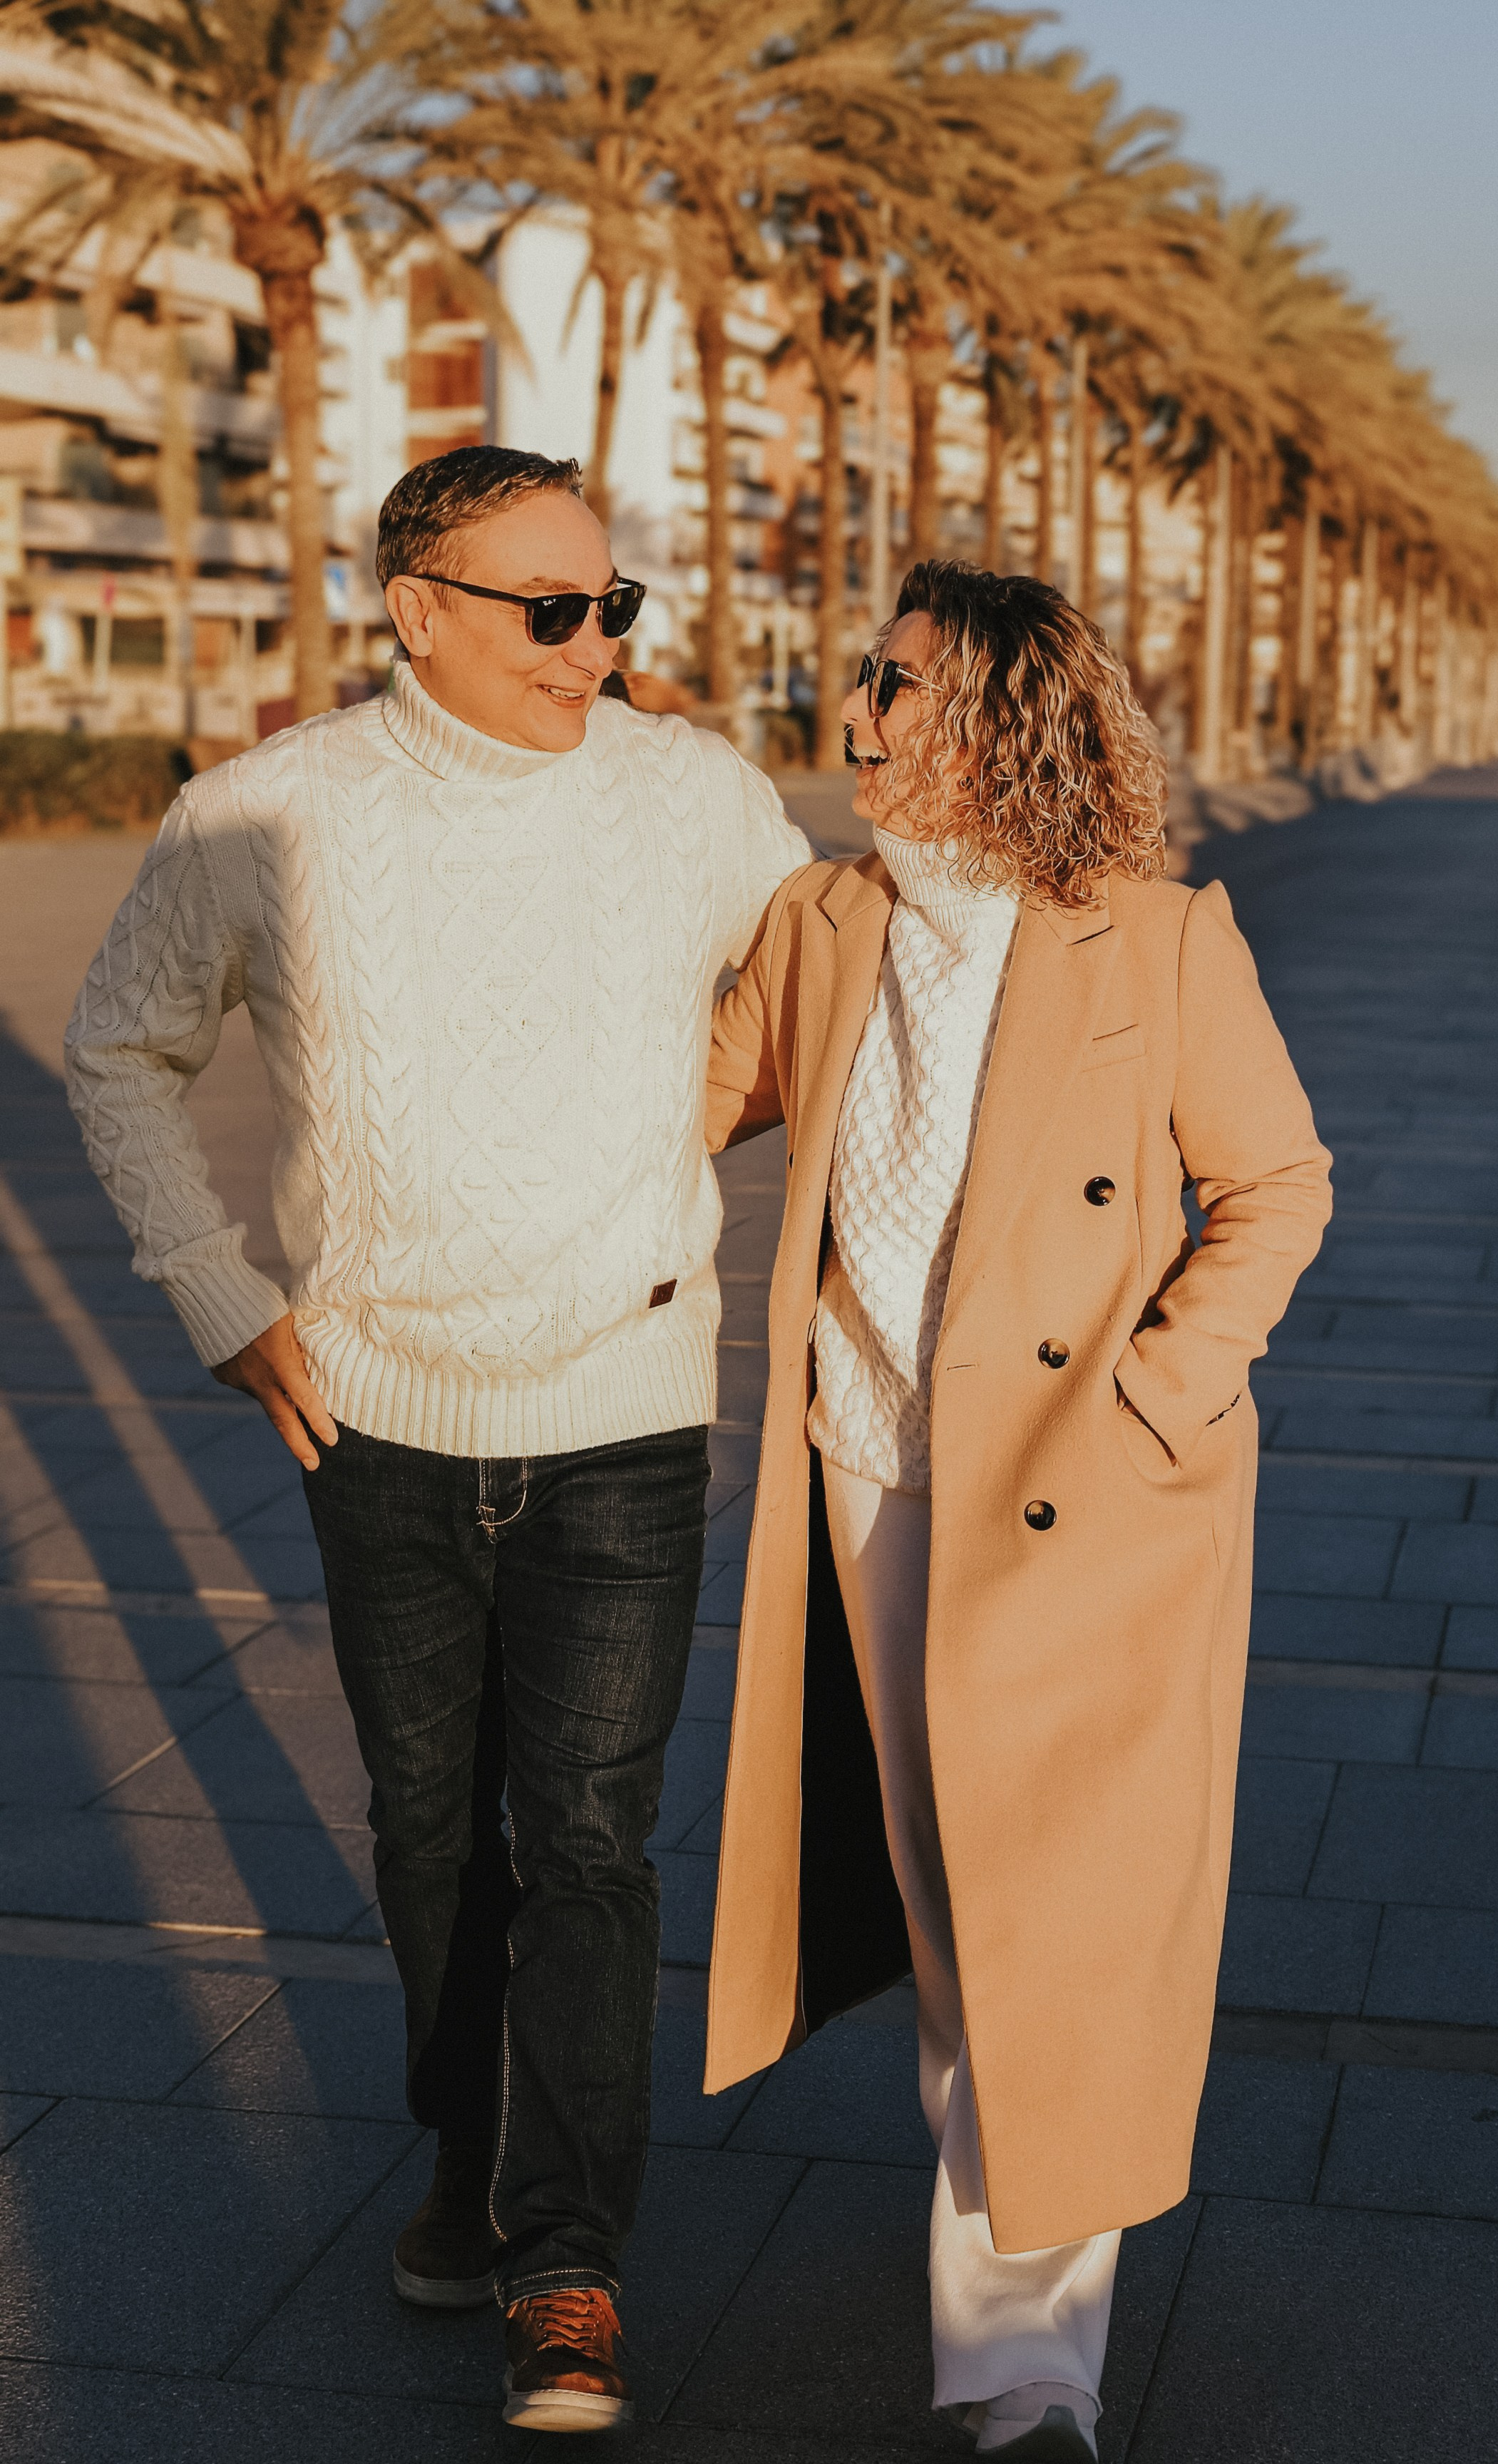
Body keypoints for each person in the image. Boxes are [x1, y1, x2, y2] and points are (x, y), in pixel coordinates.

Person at [63, 445, 809, 2435]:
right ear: (419, 610)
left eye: (612, 606)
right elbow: (117, 1048)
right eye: (550, 610)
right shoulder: (266, 812)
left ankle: (566, 2266)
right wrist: (222, 1297)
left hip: (628, 1411)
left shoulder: (696, 799)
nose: (593, 648)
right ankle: (468, 2154)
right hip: (378, 1418)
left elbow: (838, 992)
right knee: (424, 1833)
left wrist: (674, 1133)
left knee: (586, 1840)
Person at [699, 561, 1332, 2460]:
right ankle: (1014, 2276)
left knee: (1058, 1920)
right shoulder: (821, 921)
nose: (858, 711)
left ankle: (1026, 2367)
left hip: (1083, 1499)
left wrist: (1155, 1393)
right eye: (863, 677)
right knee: (957, 1911)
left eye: (895, 684)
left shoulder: (1153, 936)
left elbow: (1277, 1186)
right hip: (878, 1476)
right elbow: (682, 1107)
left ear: (999, 719)